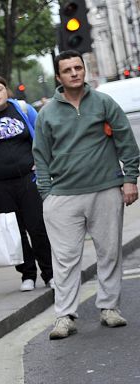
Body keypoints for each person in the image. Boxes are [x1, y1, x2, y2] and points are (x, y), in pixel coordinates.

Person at [33, 50, 140, 339]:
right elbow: (40, 155)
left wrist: (130, 179)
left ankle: (109, 308)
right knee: (66, 258)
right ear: (58, 77)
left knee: (109, 252)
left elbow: (126, 142)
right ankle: (64, 316)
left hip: (105, 189)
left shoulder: (104, 102)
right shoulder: (47, 113)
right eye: (67, 70)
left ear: (84, 70)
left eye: (78, 68)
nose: (74, 73)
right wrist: (46, 193)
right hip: (63, 196)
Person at [0, 74, 54, 292]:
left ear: (7, 91)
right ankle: (27, 274)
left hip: (29, 180)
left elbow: (44, 137)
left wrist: (41, 163)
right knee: (13, 231)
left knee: (37, 227)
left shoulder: (24, 110)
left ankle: (50, 273)